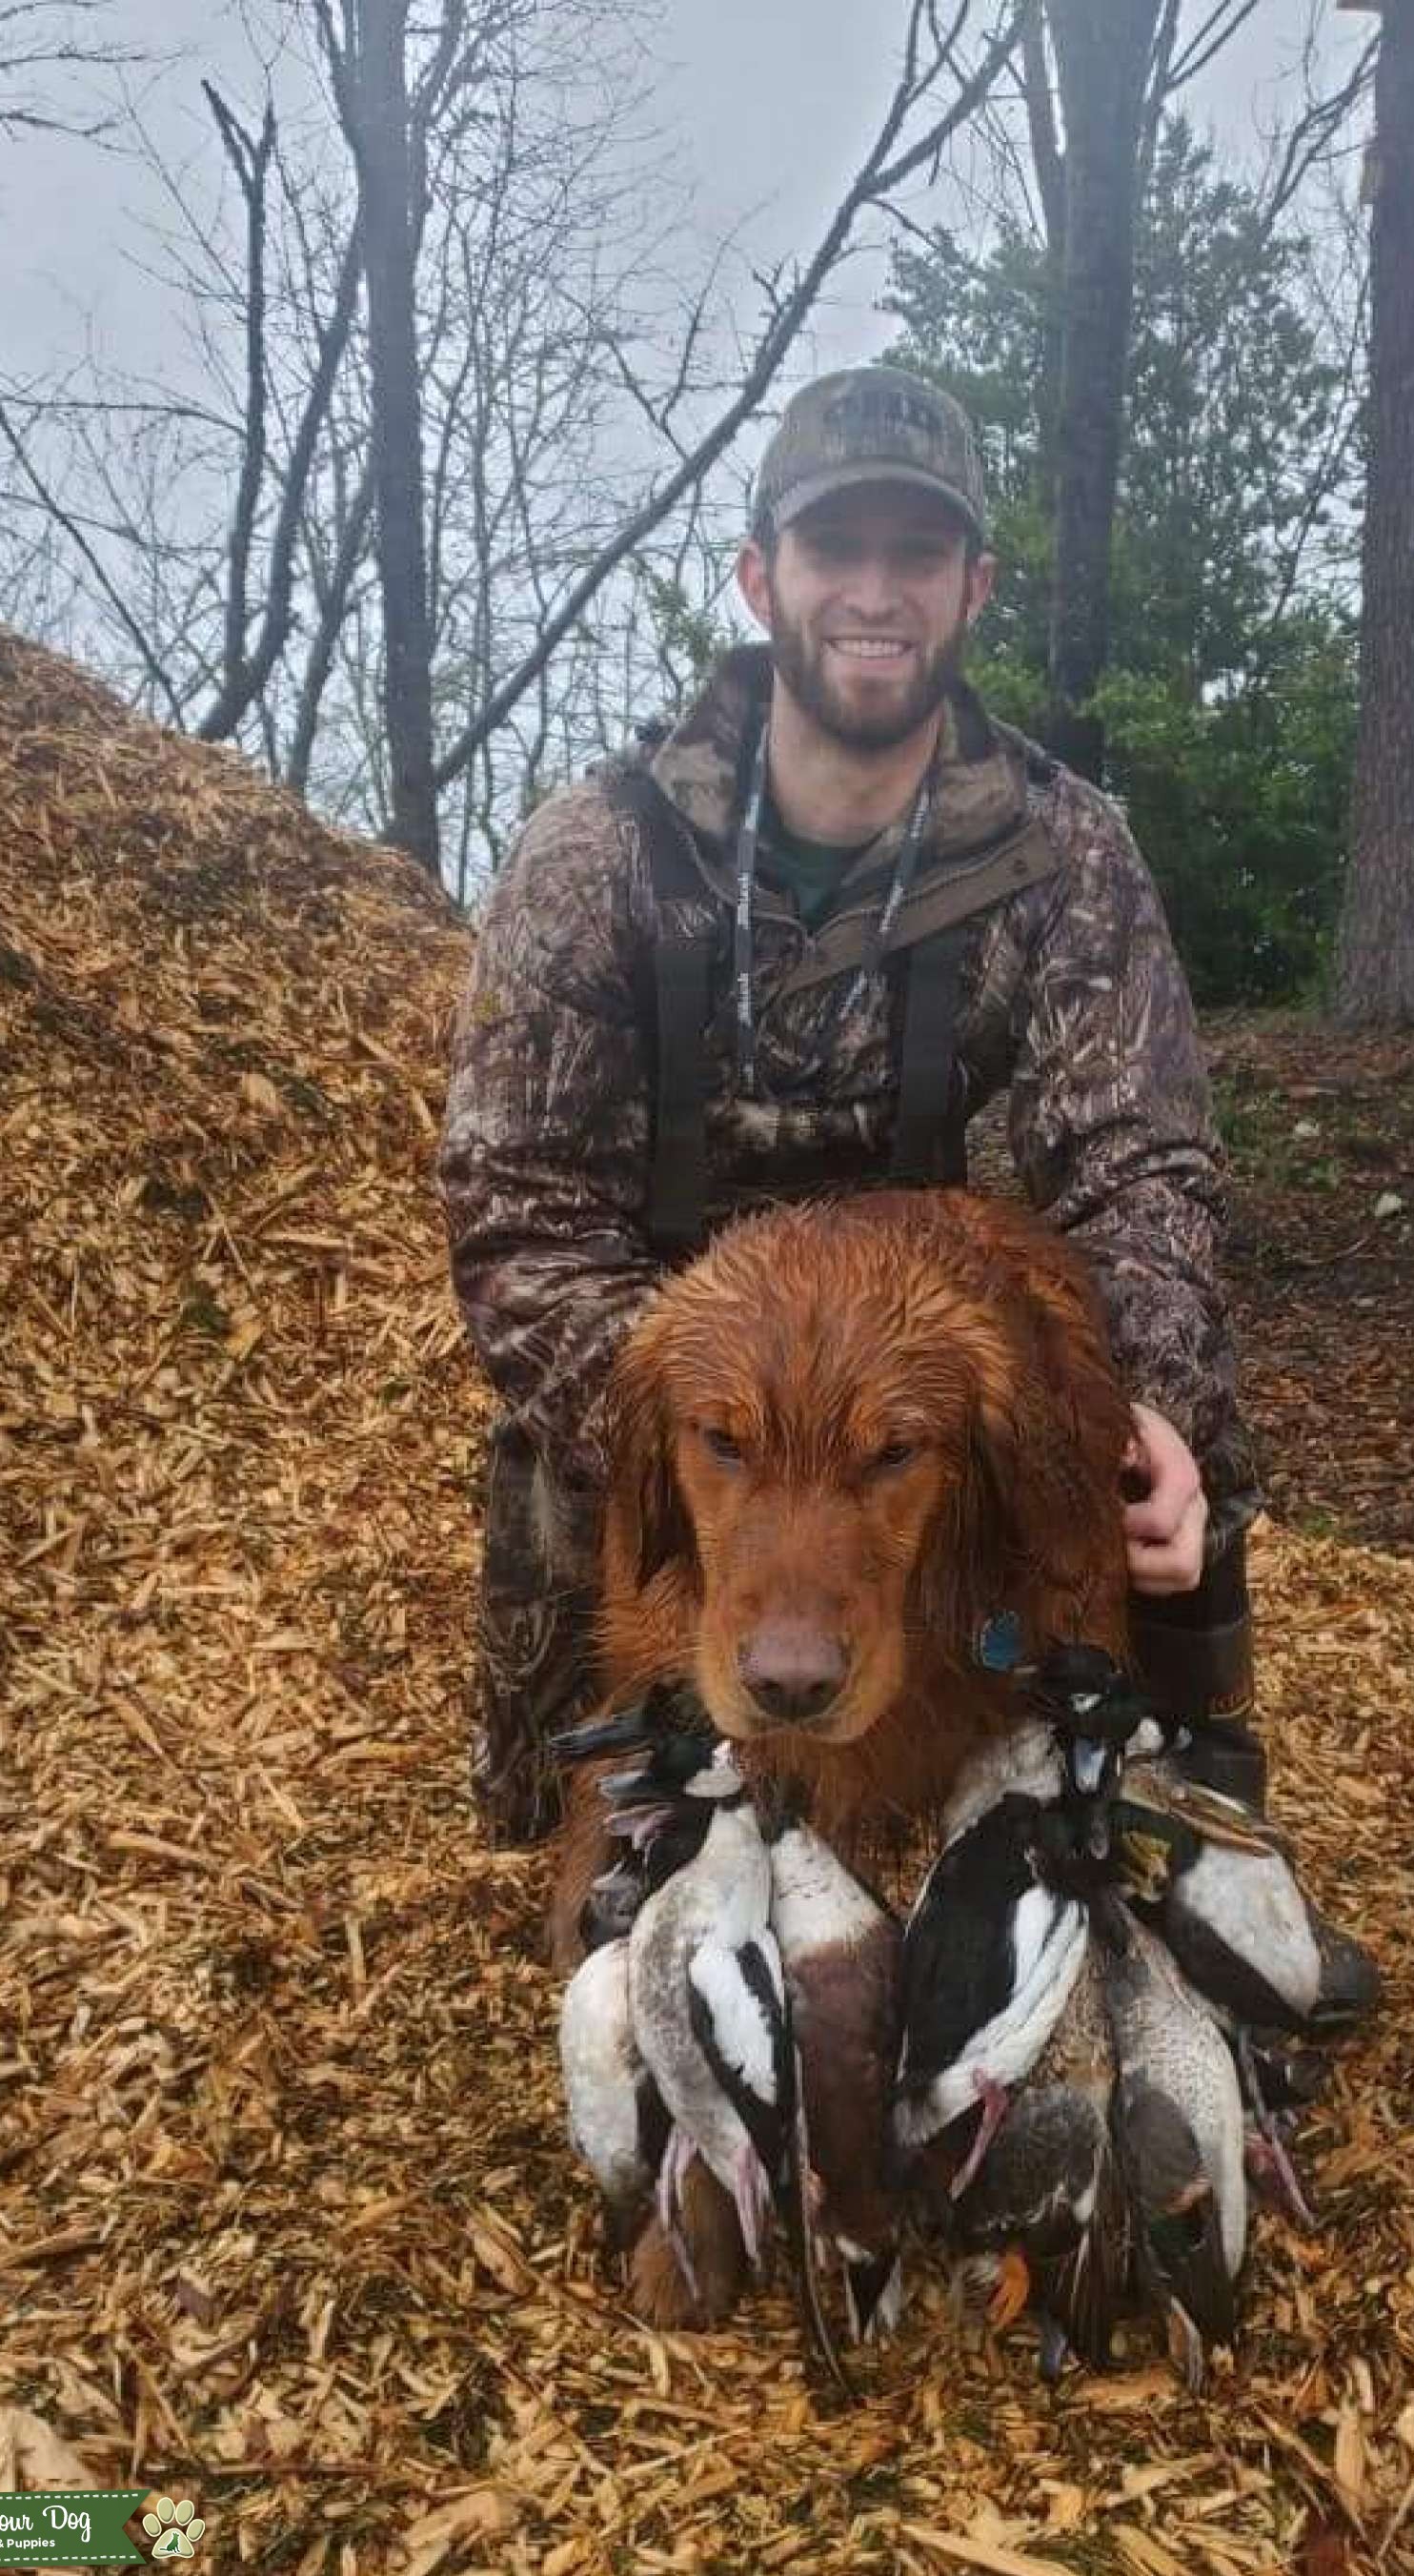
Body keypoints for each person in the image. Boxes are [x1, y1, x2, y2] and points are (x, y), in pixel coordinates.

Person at [439, 364, 1271, 1849]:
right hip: (668, 1363)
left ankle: (1177, 1785)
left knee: (1161, 1449)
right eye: (837, 550)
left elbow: (1141, 1162)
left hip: (917, 1352)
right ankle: (621, 1802)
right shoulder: (594, 855)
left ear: (973, 587)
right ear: (763, 577)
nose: (874, 593)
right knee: (597, 1803)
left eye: (918, 555)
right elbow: (519, 1209)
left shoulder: (1063, 853)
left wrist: (1136, 1404)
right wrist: (672, 1417)